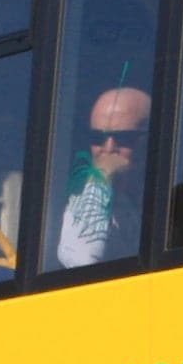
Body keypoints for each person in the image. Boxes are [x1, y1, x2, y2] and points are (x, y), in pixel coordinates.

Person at [52, 85, 148, 268]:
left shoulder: (170, 197)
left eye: (124, 138)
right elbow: (79, 259)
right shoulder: (83, 198)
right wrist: (100, 178)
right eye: (97, 138)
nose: (109, 148)